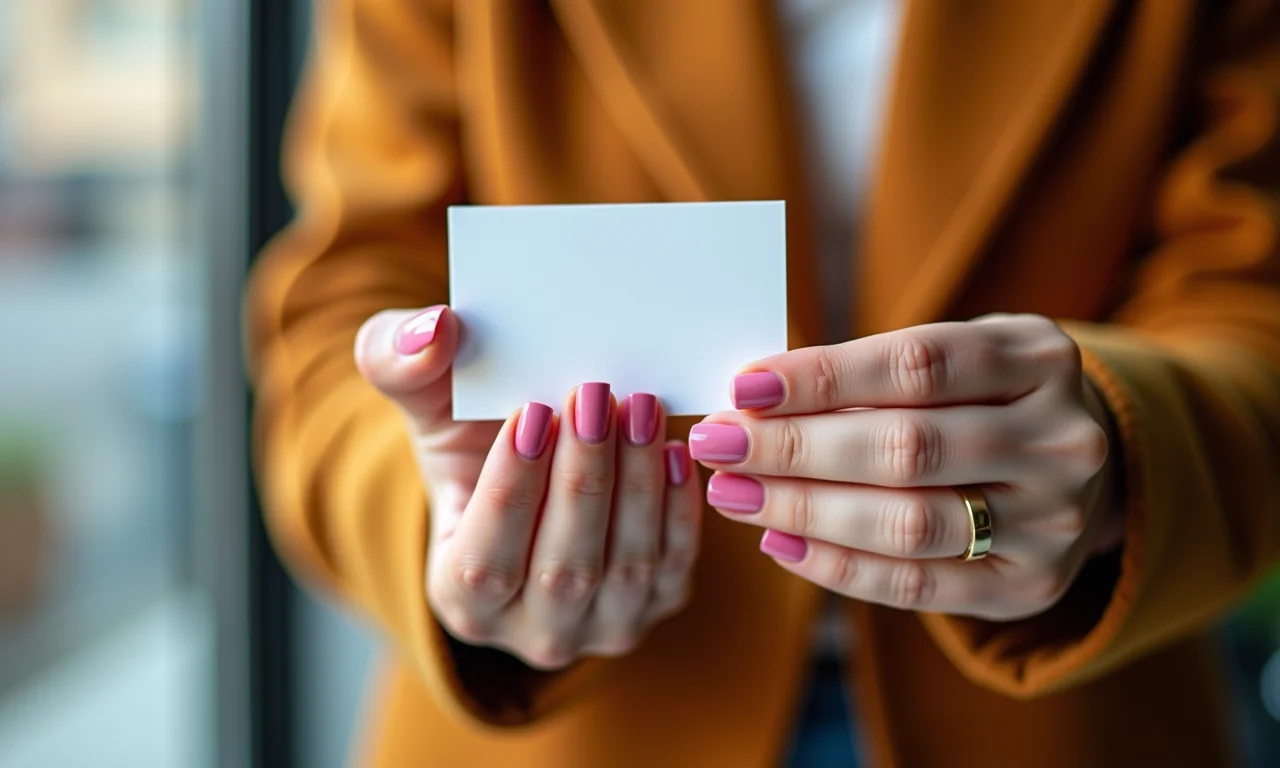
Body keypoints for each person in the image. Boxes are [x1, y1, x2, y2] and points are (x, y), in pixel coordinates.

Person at [245, 1, 1280, 765]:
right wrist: (449, 524)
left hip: (1065, 716)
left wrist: (1119, 455)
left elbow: (1251, 299)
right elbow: (342, 297)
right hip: (582, 726)